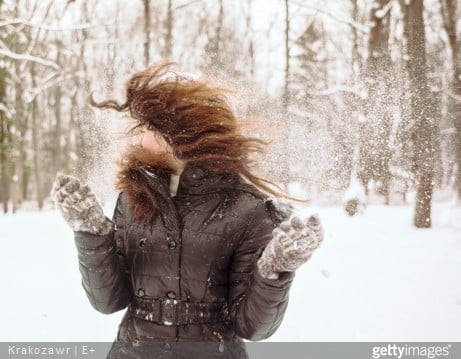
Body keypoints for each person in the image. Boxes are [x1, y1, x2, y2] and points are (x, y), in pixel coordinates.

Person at [51, 63, 324, 359]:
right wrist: (91, 231)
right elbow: (108, 301)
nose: (139, 139)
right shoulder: (132, 198)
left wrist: (275, 268)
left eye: (147, 129)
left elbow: (253, 327)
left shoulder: (248, 209)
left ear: (178, 132)